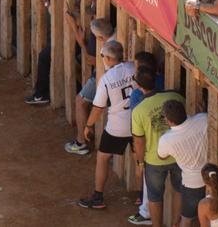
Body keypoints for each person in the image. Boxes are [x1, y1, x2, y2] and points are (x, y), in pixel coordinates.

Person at [76, 40, 136, 211]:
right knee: (141, 162)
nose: (101, 58)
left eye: (102, 56)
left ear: (109, 58)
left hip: (117, 126)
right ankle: (142, 199)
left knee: (102, 158)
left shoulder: (107, 79)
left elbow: (97, 108)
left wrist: (88, 126)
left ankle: (98, 197)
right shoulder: (133, 67)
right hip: (138, 123)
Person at [130, 68, 185, 227]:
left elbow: (139, 142)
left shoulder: (139, 110)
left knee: (154, 197)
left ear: (139, 86)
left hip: (154, 160)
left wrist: (140, 164)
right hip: (178, 155)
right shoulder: (175, 97)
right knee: (179, 190)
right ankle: (176, 224)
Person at [157, 100, 209, 227]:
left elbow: (161, 157)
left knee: (187, 219)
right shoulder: (203, 119)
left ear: (169, 121)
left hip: (192, 183)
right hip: (212, 176)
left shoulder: (166, 139)